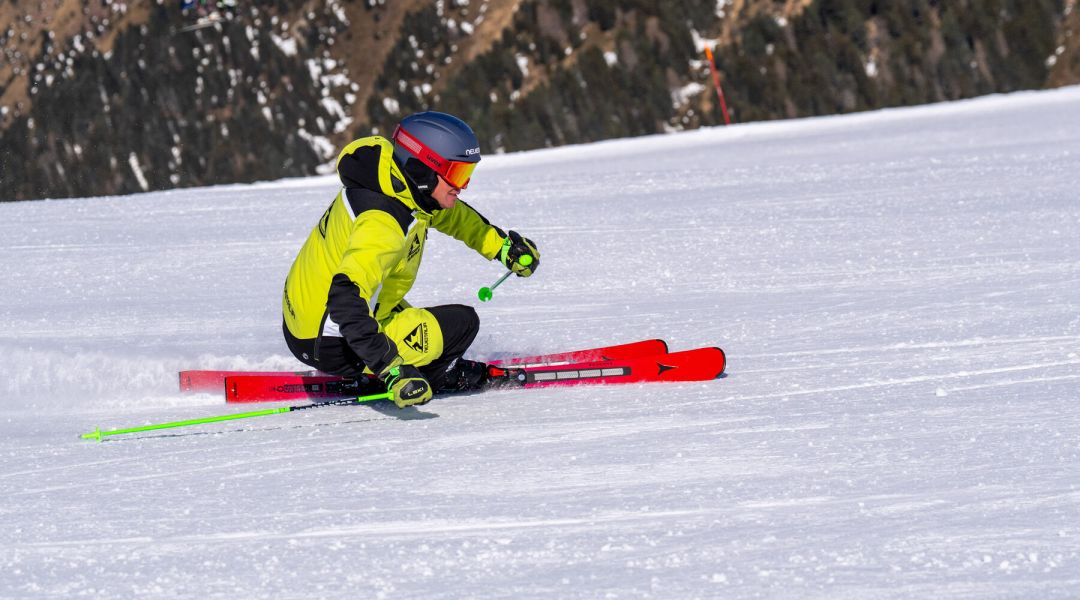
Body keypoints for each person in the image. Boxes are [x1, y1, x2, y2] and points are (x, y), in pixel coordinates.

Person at [282, 111, 539, 409]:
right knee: (462, 324)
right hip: (333, 341)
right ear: (422, 169)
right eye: (456, 175)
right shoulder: (383, 224)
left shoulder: (395, 184)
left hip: (305, 318)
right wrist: (392, 368)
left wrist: (504, 248)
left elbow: (454, 216)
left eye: (466, 175)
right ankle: (438, 376)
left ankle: (389, 357)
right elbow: (345, 300)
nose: (462, 186)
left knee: (415, 315)